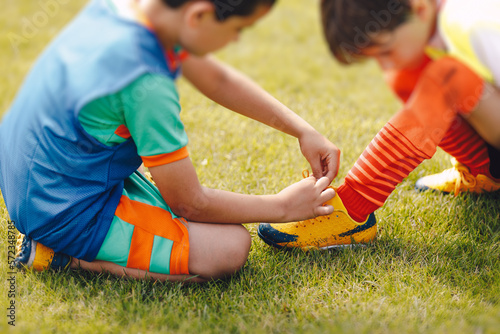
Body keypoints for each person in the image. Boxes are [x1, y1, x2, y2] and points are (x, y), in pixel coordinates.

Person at [0, 0, 341, 282]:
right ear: (198, 16)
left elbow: (216, 78)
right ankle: (60, 255)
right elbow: (188, 202)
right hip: (61, 205)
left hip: (37, 170)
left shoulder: (124, 9)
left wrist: (302, 130)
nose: (236, 40)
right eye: (238, 29)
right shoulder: (145, 81)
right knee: (229, 247)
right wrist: (282, 207)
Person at [258, 0, 500, 250]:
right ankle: (483, 171)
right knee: (408, 76)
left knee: (448, 78)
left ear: (420, 9)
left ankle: (353, 208)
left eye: (385, 51)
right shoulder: (435, 20)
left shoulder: (474, 23)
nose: (385, 65)